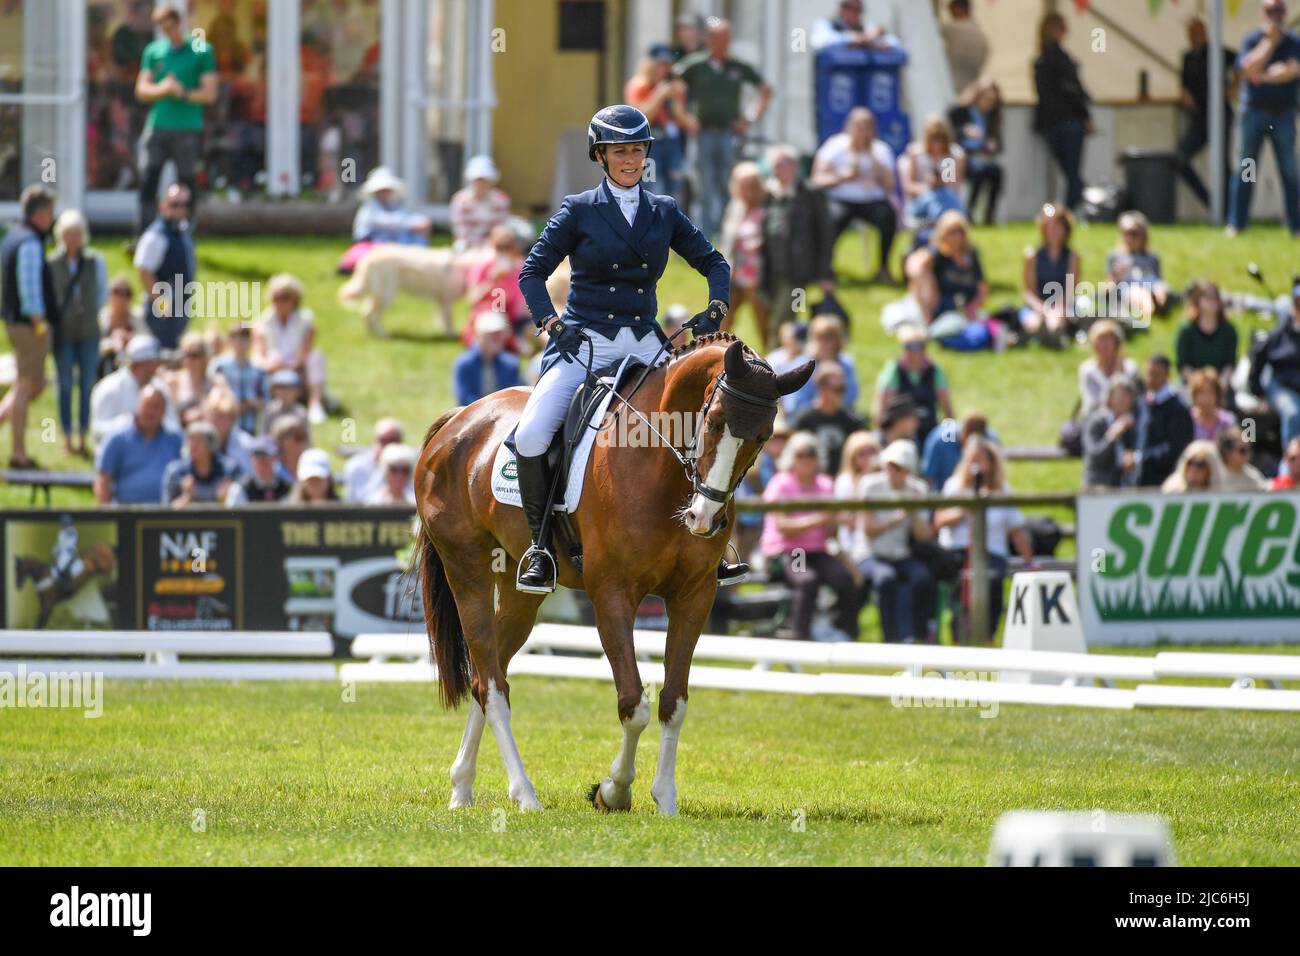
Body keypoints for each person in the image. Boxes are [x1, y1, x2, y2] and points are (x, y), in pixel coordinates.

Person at [514, 103, 737, 593]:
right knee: (531, 436)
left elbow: (714, 262)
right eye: (620, 151)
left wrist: (715, 308)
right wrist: (552, 323)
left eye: (637, 149)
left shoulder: (664, 212)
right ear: (601, 156)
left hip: (644, 342)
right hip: (585, 341)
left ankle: (709, 544)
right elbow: (530, 273)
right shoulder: (579, 210)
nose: (630, 159)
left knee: (693, 424)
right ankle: (540, 548)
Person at [674, 18, 773, 238]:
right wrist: (684, 117)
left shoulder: (738, 67)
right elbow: (674, 87)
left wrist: (749, 118)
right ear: (709, 40)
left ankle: (728, 232)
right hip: (703, 134)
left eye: (727, 38)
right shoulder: (695, 65)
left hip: (729, 134)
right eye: (719, 38)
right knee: (704, 185)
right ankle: (703, 236)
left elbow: (766, 91)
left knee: (730, 185)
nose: (724, 43)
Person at [760, 432, 860, 642]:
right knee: (807, 580)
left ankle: (846, 631)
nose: (806, 460)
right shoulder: (781, 484)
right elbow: (783, 526)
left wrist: (837, 521)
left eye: (811, 454)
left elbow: (830, 531)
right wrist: (821, 518)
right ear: (791, 458)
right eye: (800, 455)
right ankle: (800, 635)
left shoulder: (825, 484)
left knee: (844, 578)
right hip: (788, 550)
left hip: (817, 549)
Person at [934, 437, 1033, 643]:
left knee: (993, 579)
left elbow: (1016, 529)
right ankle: (959, 633)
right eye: (971, 459)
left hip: (992, 552)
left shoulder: (1002, 490)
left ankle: (987, 635)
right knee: (960, 579)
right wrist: (964, 510)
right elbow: (939, 521)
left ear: (991, 463)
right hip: (958, 550)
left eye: (980, 459)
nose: (975, 464)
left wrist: (1029, 561)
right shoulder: (954, 487)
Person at [133, 3, 216, 233]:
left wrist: (184, 93)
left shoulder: (200, 48)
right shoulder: (154, 51)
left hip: (187, 126)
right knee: (149, 179)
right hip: (158, 125)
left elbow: (209, 93)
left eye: (170, 27)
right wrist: (163, 89)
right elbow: (141, 90)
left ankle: (184, 234)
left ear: (180, 23)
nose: (168, 33)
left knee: (186, 182)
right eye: (163, 28)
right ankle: (145, 235)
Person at [1228, 0, 1300, 237]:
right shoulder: (1251, 40)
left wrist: (1262, 76)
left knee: (1288, 171)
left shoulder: (1294, 43)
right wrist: (1269, 43)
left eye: (1278, 11)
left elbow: (1290, 72)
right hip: (1254, 114)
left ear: (1285, 13)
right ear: (1262, 13)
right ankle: (1237, 224)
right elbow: (1246, 69)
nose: (1275, 16)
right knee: (1246, 170)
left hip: (1283, 115)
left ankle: (1295, 226)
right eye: (1270, 11)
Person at [858, 440, 936, 644]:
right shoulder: (871, 486)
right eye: (891, 466)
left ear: (908, 470)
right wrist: (900, 516)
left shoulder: (917, 489)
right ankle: (890, 638)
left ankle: (917, 635)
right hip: (870, 554)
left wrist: (915, 511)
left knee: (922, 578)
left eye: (899, 467)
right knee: (886, 579)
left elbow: (923, 536)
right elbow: (869, 531)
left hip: (901, 554)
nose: (893, 471)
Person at [0, 186, 56, 469]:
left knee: (34, 383)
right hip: (28, 325)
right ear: (42, 212)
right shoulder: (30, 243)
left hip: (14, 322)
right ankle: (19, 453)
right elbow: (29, 287)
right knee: (26, 386)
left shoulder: (12, 237)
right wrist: (40, 324)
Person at [810, 107, 897, 285]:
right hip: (841, 198)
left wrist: (875, 165)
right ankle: (825, 269)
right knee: (831, 221)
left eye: (866, 128)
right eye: (858, 128)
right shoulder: (834, 146)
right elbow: (816, 179)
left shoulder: (880, 150)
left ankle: (882, 267)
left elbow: (890, 185)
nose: (861, 133)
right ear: (849, 127)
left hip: (872, 200)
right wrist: (841, 177)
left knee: (888, 217)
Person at [47, 210, 107, 458]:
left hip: (89, 331)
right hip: (63, 332)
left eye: (77, 234)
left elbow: (102, 292)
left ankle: (83, 432)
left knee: (87, 383)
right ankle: (66, 435)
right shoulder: (52, 264)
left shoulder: (95, 261)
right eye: (68, 234)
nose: (72, 239)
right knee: (65, 383)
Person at [762, 145, 834, 348]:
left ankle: (778, 361)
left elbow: (825, 234)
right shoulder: (770, 194)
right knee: (778, 316)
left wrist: (825, 273)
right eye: (773, 166)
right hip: (771, 272)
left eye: (779, 165)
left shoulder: (810, 194)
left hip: (798, 275)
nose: (775, 170)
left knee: (787, 319)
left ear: (793, 166)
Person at [904, 211, 995, 351]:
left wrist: (972, 308)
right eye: (952, 232)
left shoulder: (971, 255)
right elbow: (914, 266)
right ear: (943, 233)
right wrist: (928, 282)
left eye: (959, 232)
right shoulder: (938, 254)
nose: (956, 237)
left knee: (979, 333)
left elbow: (982, 287)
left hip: (967, 311)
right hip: (942, 311)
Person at [1033, 12, 1091, 212]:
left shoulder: (1041, 60)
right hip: (1069, 122)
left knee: (1070, 172)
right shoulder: (1061, 59)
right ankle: (1070, 211)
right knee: (1072, 172)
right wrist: (1085, 115)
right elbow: (1074, 91)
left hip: (1051, 123)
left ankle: (1070, 210)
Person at [1178, 17, 1236, 212]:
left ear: (1204, 32)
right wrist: (1185, 95)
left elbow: (1240, 63)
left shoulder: (1217, 52)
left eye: (1197, 32)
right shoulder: (1187, 57)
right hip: (1200, 117)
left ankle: (1228, 210)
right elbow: (1184, 85)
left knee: (1222, 164)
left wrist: (1233, 87)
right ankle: (1211, 203)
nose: (1193, 36)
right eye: (1190, 32)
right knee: (1180, 158)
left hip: (1221, 115)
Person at [254, 273, 327, 424]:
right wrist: (270, 364)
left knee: (316, 357)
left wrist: (289, 365)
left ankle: (315, 403)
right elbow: (258, 354)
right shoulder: (263, 321)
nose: (280, 302)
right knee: (274, 356)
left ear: (295, 299)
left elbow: (306, 351)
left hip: (298, 368)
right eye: (276, 297)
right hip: (273, 370)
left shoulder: (306, 320)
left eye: (284, 297)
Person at [625, 44, 695, 202]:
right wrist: (658, 95)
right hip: (650, 143)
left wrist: (676, 99)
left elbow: (681, 119)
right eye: (660, 64)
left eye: (667, 65)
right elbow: (640, 118)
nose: (663, 69)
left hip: (672, 141)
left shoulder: (674, 86)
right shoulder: (639, 85)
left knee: (675, 187)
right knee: (652, 186)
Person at [93, 386, 183, 504]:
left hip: (167, 513)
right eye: (148, 405)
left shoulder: (175, 438)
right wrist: (107, 515)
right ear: (138, 406)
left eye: (156, 407)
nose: (151, 412)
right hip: (126, 513)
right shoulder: (117, 438)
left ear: (164, 411)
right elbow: (103, 480)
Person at [133, 182, 196, 349]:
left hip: (181, 307)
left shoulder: (182, 231)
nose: (180, 209)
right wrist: (162, 304)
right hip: (162, 312)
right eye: (175, 204)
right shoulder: (156, 235)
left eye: (184, 205)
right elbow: (144, 271)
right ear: (163, 205)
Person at [88, 333, 180, 445]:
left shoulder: (160, 388)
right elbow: (97, 431)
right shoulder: (109, 388)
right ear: (141, 363)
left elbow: (173, 424)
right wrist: (126, 424)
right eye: (153, 362)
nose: (157, 367)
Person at [873, 325, 953, 447]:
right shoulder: (894, 370)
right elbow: (881, 406)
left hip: (929, 431)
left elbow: (947, 409)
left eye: (918, 346)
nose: (913, 352)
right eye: (908, 347)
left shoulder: (935, 371)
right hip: (899, 433)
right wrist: (882, 435)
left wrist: (949, 439)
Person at [718, 162, 770, 345]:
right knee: (722, 321)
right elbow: (727, 240)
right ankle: (719, 358)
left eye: (751, 186)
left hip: (759, 278)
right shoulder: (735, 207)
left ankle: (773, 365)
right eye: (742, 187)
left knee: (765, 325)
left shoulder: (768, 207)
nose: (747, 192)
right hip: (734, 276)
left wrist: (761, 245)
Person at [1020, 202, 1082, 347]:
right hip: (1038, 305)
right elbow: (1028, 292)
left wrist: (1058, 309)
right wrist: (1043, 309)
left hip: (1063, 305)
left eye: (1057, 227)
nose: (1053, 231)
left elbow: (1071, 290)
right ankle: (1048, 335)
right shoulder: (1032, 256)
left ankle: (1053, 335)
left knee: (1056, 320)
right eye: (1049, 226)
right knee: (1032, 323)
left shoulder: (1073, 257)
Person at [460, 224, 531, 348]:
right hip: (489, 313)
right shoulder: (483, 267)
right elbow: (472, 299)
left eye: (508, 247)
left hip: (516, 318)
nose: (504, 252)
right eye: (500, 247)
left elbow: (527, 303)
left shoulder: (522, 267)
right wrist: (492, 281)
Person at [1247, 281, 1300, 446]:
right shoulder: (1281, 332)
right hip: (1282, 386)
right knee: (1293, 414)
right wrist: (1258, 392)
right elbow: (1258, 360)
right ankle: (1292, 465)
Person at [793, 364, 868, 475]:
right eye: (837, 390)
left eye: (843, 389)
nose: (842, 394)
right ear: (821, 389)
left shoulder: (854, 422)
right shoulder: (804, 420)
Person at [899, 115, 967, 234]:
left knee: (942, 196)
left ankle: (940, 226)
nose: (937, 143)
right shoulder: (916, 153)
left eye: (940, 138)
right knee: (934, 199)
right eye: (933, 138)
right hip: (920, 204)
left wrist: (939, 182)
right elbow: (909, 186)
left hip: (945, 201)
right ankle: (941, 227)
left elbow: (950, 185)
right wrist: (927, 187)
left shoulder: (952, 155)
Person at [1135, 354, 1194, 488]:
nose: (1151, 379)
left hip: (1166, 480)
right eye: (1149, 374)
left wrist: (1140, 458)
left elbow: (1175, 448)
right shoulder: (1141, 403)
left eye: (1156, 375)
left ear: (1167, 375)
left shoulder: (1178, 409)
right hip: (1141, 479)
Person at [949, 81, 1003, 226]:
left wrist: (991, 145)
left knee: (996, 172)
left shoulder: (992, 117)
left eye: (992, 102)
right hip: (960, 158)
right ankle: (969, 212)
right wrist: (964, 131)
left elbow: (998, 143)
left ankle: (989, 216)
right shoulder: (959, 111)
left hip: (981, 156)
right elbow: (948, 134)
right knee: (978, 172)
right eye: (986, 99)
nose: (988, 105)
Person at [784, 314, 858, 416]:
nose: (824, 343)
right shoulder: (802, 365)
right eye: (820, 338)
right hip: (806, 419)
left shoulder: (846, 364)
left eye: (829, 338)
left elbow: (851, 396)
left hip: (839, 416)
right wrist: (820, 406)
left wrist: (832, 405)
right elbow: (793, 403)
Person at [1106, 211, 1171, 326]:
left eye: (1134, 233)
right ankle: (1149, 313)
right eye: (1125, 233)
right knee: (1140, 293)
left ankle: (1161, 304)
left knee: (1159, 287)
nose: (1129, 238)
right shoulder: (1116, 256)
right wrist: (1116, 276)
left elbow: (1158, 279)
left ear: (1143, 235)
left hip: (1151, 284)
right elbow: (1108, 287)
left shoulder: (1152, 258)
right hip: (1129, 287)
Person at [1176, 280, 1238, 388]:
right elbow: (1183, 364)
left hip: (1221, 385)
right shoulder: (1187, 331)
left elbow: (1230, 363)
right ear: (1197, 301)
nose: (1212, 301)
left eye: (1215, 297)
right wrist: (1199, 385)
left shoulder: (1229, 331)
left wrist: (1219, 385)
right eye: (1208, 297)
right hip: (1191, 385)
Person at [1082, 373, 1139, 488]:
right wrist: (1112, 436)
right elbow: (1095, 456)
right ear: (1109, 397)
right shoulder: (1096, 421)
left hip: (1124, 484)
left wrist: (1132, 458)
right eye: (1120, 396)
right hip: (1099, 486)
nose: (1124, 401)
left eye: (1128, 396)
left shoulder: (1131, 423)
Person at [210, 320, 268, 435]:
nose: (240, 342)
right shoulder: (219, 365)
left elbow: (265, 400)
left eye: (244, 338)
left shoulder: (258, 370)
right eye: (236, 338)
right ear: (230, 341)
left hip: (249, 425)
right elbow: (215, 392)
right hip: (224, 425)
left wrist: (248, 404)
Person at [351, 166, 432, 247]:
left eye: (387, 190)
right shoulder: (369, 207)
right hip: (369, 242)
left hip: (387, 239)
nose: (385, 193)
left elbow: (404, 216)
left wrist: (422, 221)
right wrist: (413, 225)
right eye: (382, 190)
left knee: (417, 238)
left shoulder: (392, 205)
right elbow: (387, 222)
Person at [452, 312, 520, 407]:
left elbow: (515, 396)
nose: (497, 337)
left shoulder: (510, 364)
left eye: (500, 333)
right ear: (479, 336)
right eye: (492, 334)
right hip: (472, 416)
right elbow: (465, 398)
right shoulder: (464, 364)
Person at [163, 420, 235, 507]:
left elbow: (241, 506)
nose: (193, 445)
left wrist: (225, 498)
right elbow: (167, 509)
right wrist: (186, 497)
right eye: (190, 439)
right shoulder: (175, 471)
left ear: (211, 443)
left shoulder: (229, 468)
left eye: (199, 440)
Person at [448, 156, 510, 253]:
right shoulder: (460, 200)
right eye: (478, 180)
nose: (481, 184)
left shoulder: (500, 200)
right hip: (467, 245)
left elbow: (500, 229)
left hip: (492, 245)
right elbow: (461, 232)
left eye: (484, 179)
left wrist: (489, 245)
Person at [1078, 320, 1138, 419]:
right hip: (1097, 419)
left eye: (1108, 339)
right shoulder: (1088, 370)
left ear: (1116, 343)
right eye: (1100, 339)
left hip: (1127, 418)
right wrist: (1116, 377)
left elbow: (1134, 399)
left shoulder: (1130, 368)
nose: (1104, 345)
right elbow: (1091, 403)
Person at [922, 410, 996, 491]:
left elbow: (997, 475)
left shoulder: (989, 441)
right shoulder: (940, 441)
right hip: (941, 492)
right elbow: (929, 478)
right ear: (963, 431)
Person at [344, 418, 405, 503]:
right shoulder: (356, 467)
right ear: (374, 441)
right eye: (383, 440)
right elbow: (353, 502)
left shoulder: (410, 466)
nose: (388, 445)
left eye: (393, 441)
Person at [225, 434, 293, 504]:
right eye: (257, 455)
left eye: (267, 456)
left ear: (276, 457)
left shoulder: (287, 489)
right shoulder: (240, 489)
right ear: (251, 458)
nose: (262, 460)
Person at [941, 0, 990, 95]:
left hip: (954, 83)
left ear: (958, 9)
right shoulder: (978, 30)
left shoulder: (953, 28)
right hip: (972, 83)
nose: (951, 15)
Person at [165, 331, 214, 425]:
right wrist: (185, 417)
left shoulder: (215, 382)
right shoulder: (173, 381)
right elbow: (169, 415)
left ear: (205, 357)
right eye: (186, 354)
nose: (189, 360)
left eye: (195, 355)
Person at [98, 274, 142, 378]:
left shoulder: (138, 317)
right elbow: (91, 345)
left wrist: (128, 338)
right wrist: (111, 344)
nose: (121, 298)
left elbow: (147, 342)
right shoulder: (102, 318)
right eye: (116, 292)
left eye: (126, 293)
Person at [811, 0, 893, 52]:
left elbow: (894, 43)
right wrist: (849, 39)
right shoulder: (825, 24)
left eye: (858, 9)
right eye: (850, 8)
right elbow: (817, 43)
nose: (854, 13)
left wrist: (879, 35)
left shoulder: (865, 28)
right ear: (842, 9)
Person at [1188, 368, 1236, 442]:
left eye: (1210, 393)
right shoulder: (1187, 420)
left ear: (1217, 396)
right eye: (1201, 393)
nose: (1206, 399)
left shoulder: (1228, 421)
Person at [1161, 440, 1226, 493]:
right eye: (1190, 463)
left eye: (1200, 464)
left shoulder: (1224, 491)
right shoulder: (1172, 490)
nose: (1194, 468)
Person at [1217, 426, 1268, 491]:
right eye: (1242, 450)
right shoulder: (1214, 475)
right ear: (1228, 452)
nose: (1248, 454)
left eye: (1249, 449)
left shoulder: (1253, 476)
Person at [263, 370, 309, 435]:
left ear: (298, 390)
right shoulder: (270, 410)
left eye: (290, 387)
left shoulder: (301, 412)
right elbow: (264, 435)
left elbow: (306, 440)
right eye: (281, 387)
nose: (285, 391)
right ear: (273, 390)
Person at [270, 413, 310, 481]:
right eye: (298, 437)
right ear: (282, 441)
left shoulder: (312, 469)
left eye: (304, 436)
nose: (303, 442)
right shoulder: (273, 474)